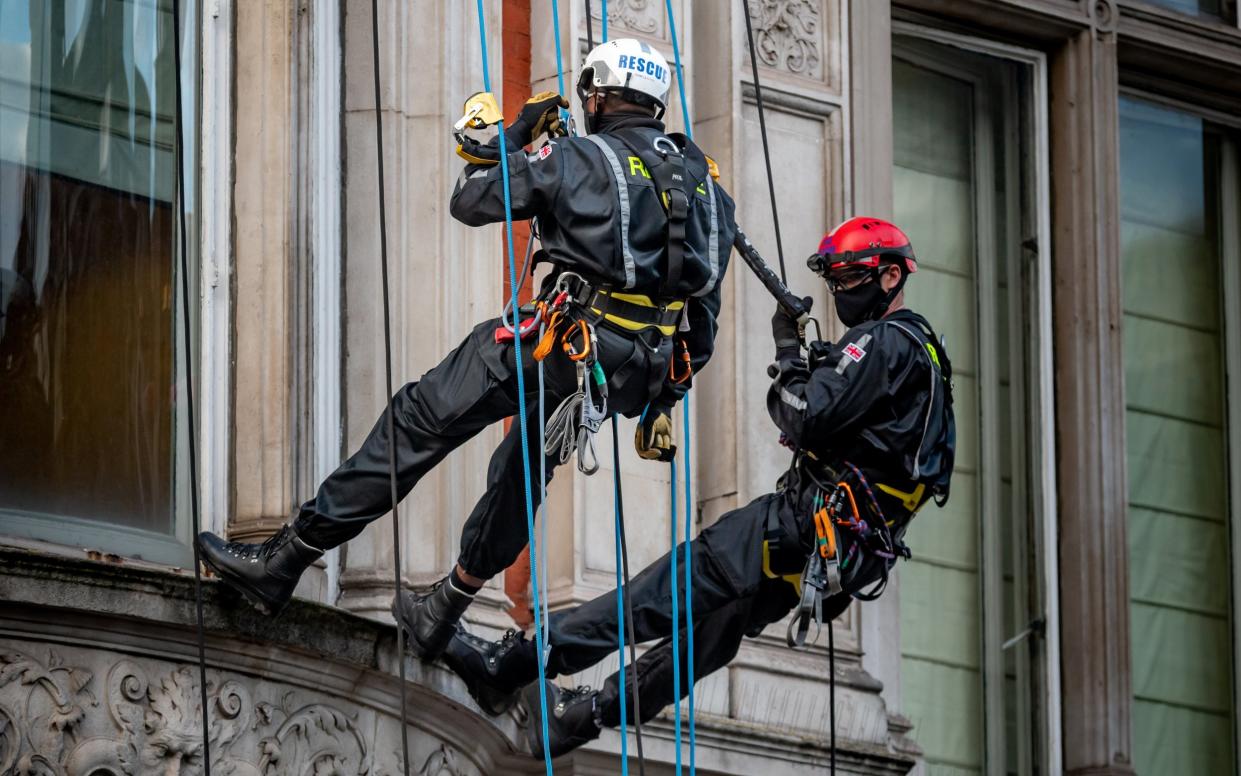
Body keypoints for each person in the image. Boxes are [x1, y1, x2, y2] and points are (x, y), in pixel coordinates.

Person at [195, 38, 739, 664]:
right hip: (624, 378)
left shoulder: (580, 158)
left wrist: (514, 137)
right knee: (523, 472)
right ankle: (446, 608)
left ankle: (288, 557)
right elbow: (703, 323)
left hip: (560, 345)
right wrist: (663, 397)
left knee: (420, 418)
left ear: (596, 94)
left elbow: (472, 198)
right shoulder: (707, 191)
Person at [442, 216, 957, 759]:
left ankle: (514, 663)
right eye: (835, 280)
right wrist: (820, 364)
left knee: (659, 595)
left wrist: (788, 357)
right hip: (836, 555)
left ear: (893, 276)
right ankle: (586, 716)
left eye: (853, 278)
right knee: (708, 634)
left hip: (801, 524)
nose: (841, 291)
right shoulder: (924, 356)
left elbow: (804, 414)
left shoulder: (883, 343)